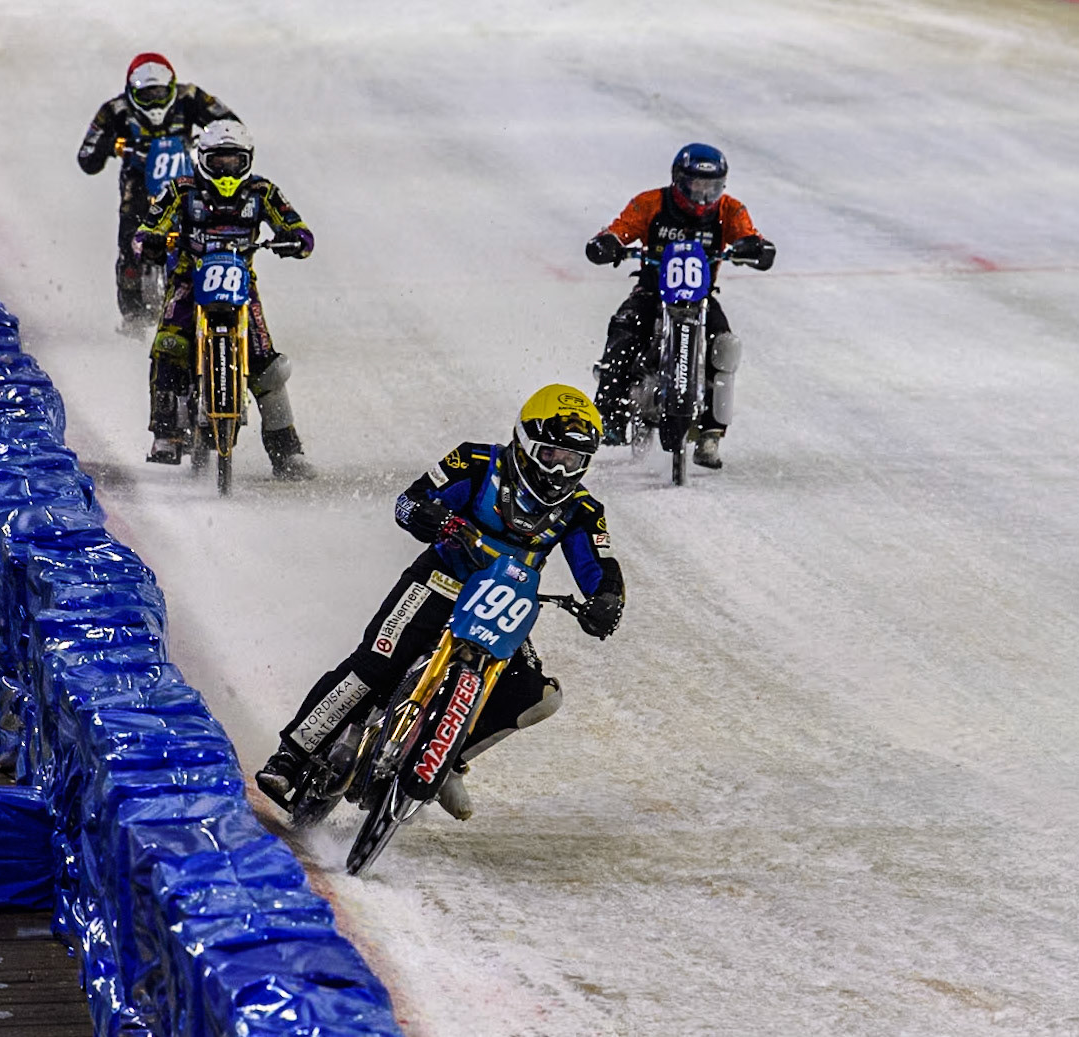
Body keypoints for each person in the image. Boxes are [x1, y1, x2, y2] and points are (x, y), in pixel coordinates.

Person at [256, 385, 625, 820]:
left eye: (573, 461)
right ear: (525, 443)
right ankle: (291, 755)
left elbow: (599, 564)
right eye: (550, 455)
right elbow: (407, 502)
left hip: (503, 605)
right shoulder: (475, 461)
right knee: (375, 665)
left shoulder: (583, 509)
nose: (560, 470)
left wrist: (607, 599)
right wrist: (429, 516)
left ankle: (448, 759)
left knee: (538, 696)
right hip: (439, 580)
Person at [132, 119, 317, 476]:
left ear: (248, 160)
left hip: (241, 284)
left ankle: (287, 453)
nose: (227, 170)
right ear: (202, 159)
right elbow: (147, 229)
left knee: (267, 367)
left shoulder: (263, 192)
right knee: (168, 347)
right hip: (188, 279)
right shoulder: (181, 189)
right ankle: (166, 434)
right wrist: (150, 241)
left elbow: (298, 227)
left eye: (234, 161)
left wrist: (295, 240)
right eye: (219, 161)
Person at [585, 143, 775, 469]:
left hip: (700, 298)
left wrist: (754, 247)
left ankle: (712, 432)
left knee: (724, 345)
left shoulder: (730, 210)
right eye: (696, 185)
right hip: (651, 292)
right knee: (624, 330)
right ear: (678, 180)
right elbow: (619, 229)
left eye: (712, 187)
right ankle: (610, 414)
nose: (703, 195)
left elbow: (750, 236)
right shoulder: (650, 203)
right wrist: (610, 243)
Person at [76, 53, 238, 327]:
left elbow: (232, 126)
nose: (154, 101)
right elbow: (87, 158)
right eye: (147, 95)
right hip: (138, 183)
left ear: (171, 88)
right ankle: (133, 320)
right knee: (130, 246)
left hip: (188, 177)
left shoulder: (190, 97)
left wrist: (208, 141)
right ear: (132, 92)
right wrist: (113, 146)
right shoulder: (114, 110)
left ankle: (213, 294)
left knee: (212, 232)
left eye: (159, 93)